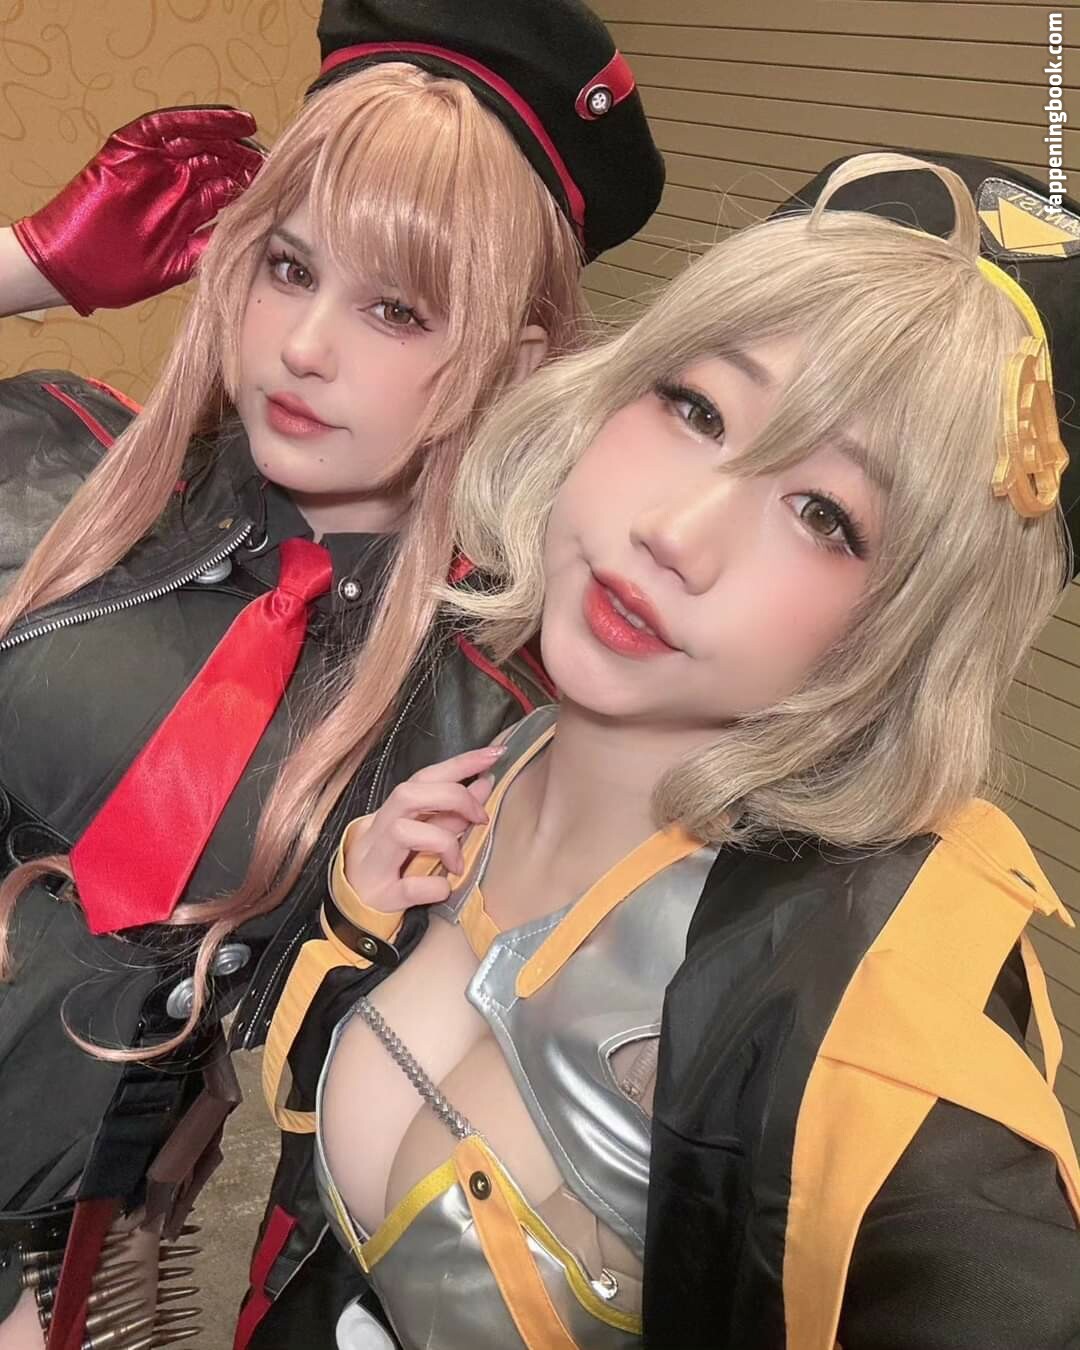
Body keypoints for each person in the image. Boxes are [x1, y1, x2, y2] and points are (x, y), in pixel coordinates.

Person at [308, 152, 1080, 1349]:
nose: (676, 531)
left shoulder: (862, 1004)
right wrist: (357, 925)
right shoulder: (495, 751)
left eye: (825, 516)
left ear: (917, 627)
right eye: (697, 409)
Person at [0, 4, 664, 1348]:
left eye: (396, 308)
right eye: (287, 267)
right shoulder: (53, 475)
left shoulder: (490, 714)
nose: (304, 346)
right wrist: (23, 269)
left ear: (517, 362)